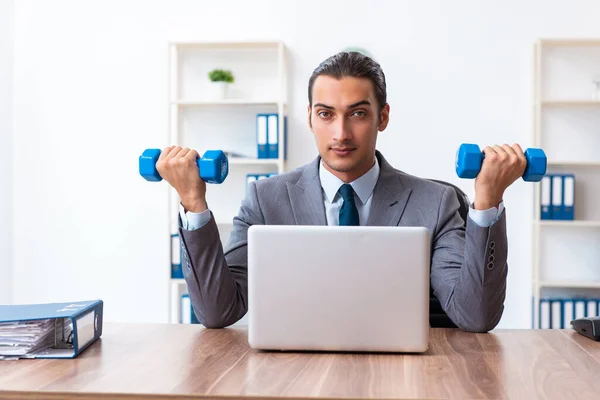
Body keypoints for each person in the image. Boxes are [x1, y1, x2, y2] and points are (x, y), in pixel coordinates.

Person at [157, 52, 526, 332]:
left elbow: (475, 316)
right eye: (326, 114)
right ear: (310, 117)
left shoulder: (436, 203)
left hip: (402, 379)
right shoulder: (265, 200)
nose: (340, 134)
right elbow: (219, 312)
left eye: (358, 114)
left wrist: (487, 202)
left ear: (382, 117)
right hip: (293, 377)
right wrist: (193, 204)